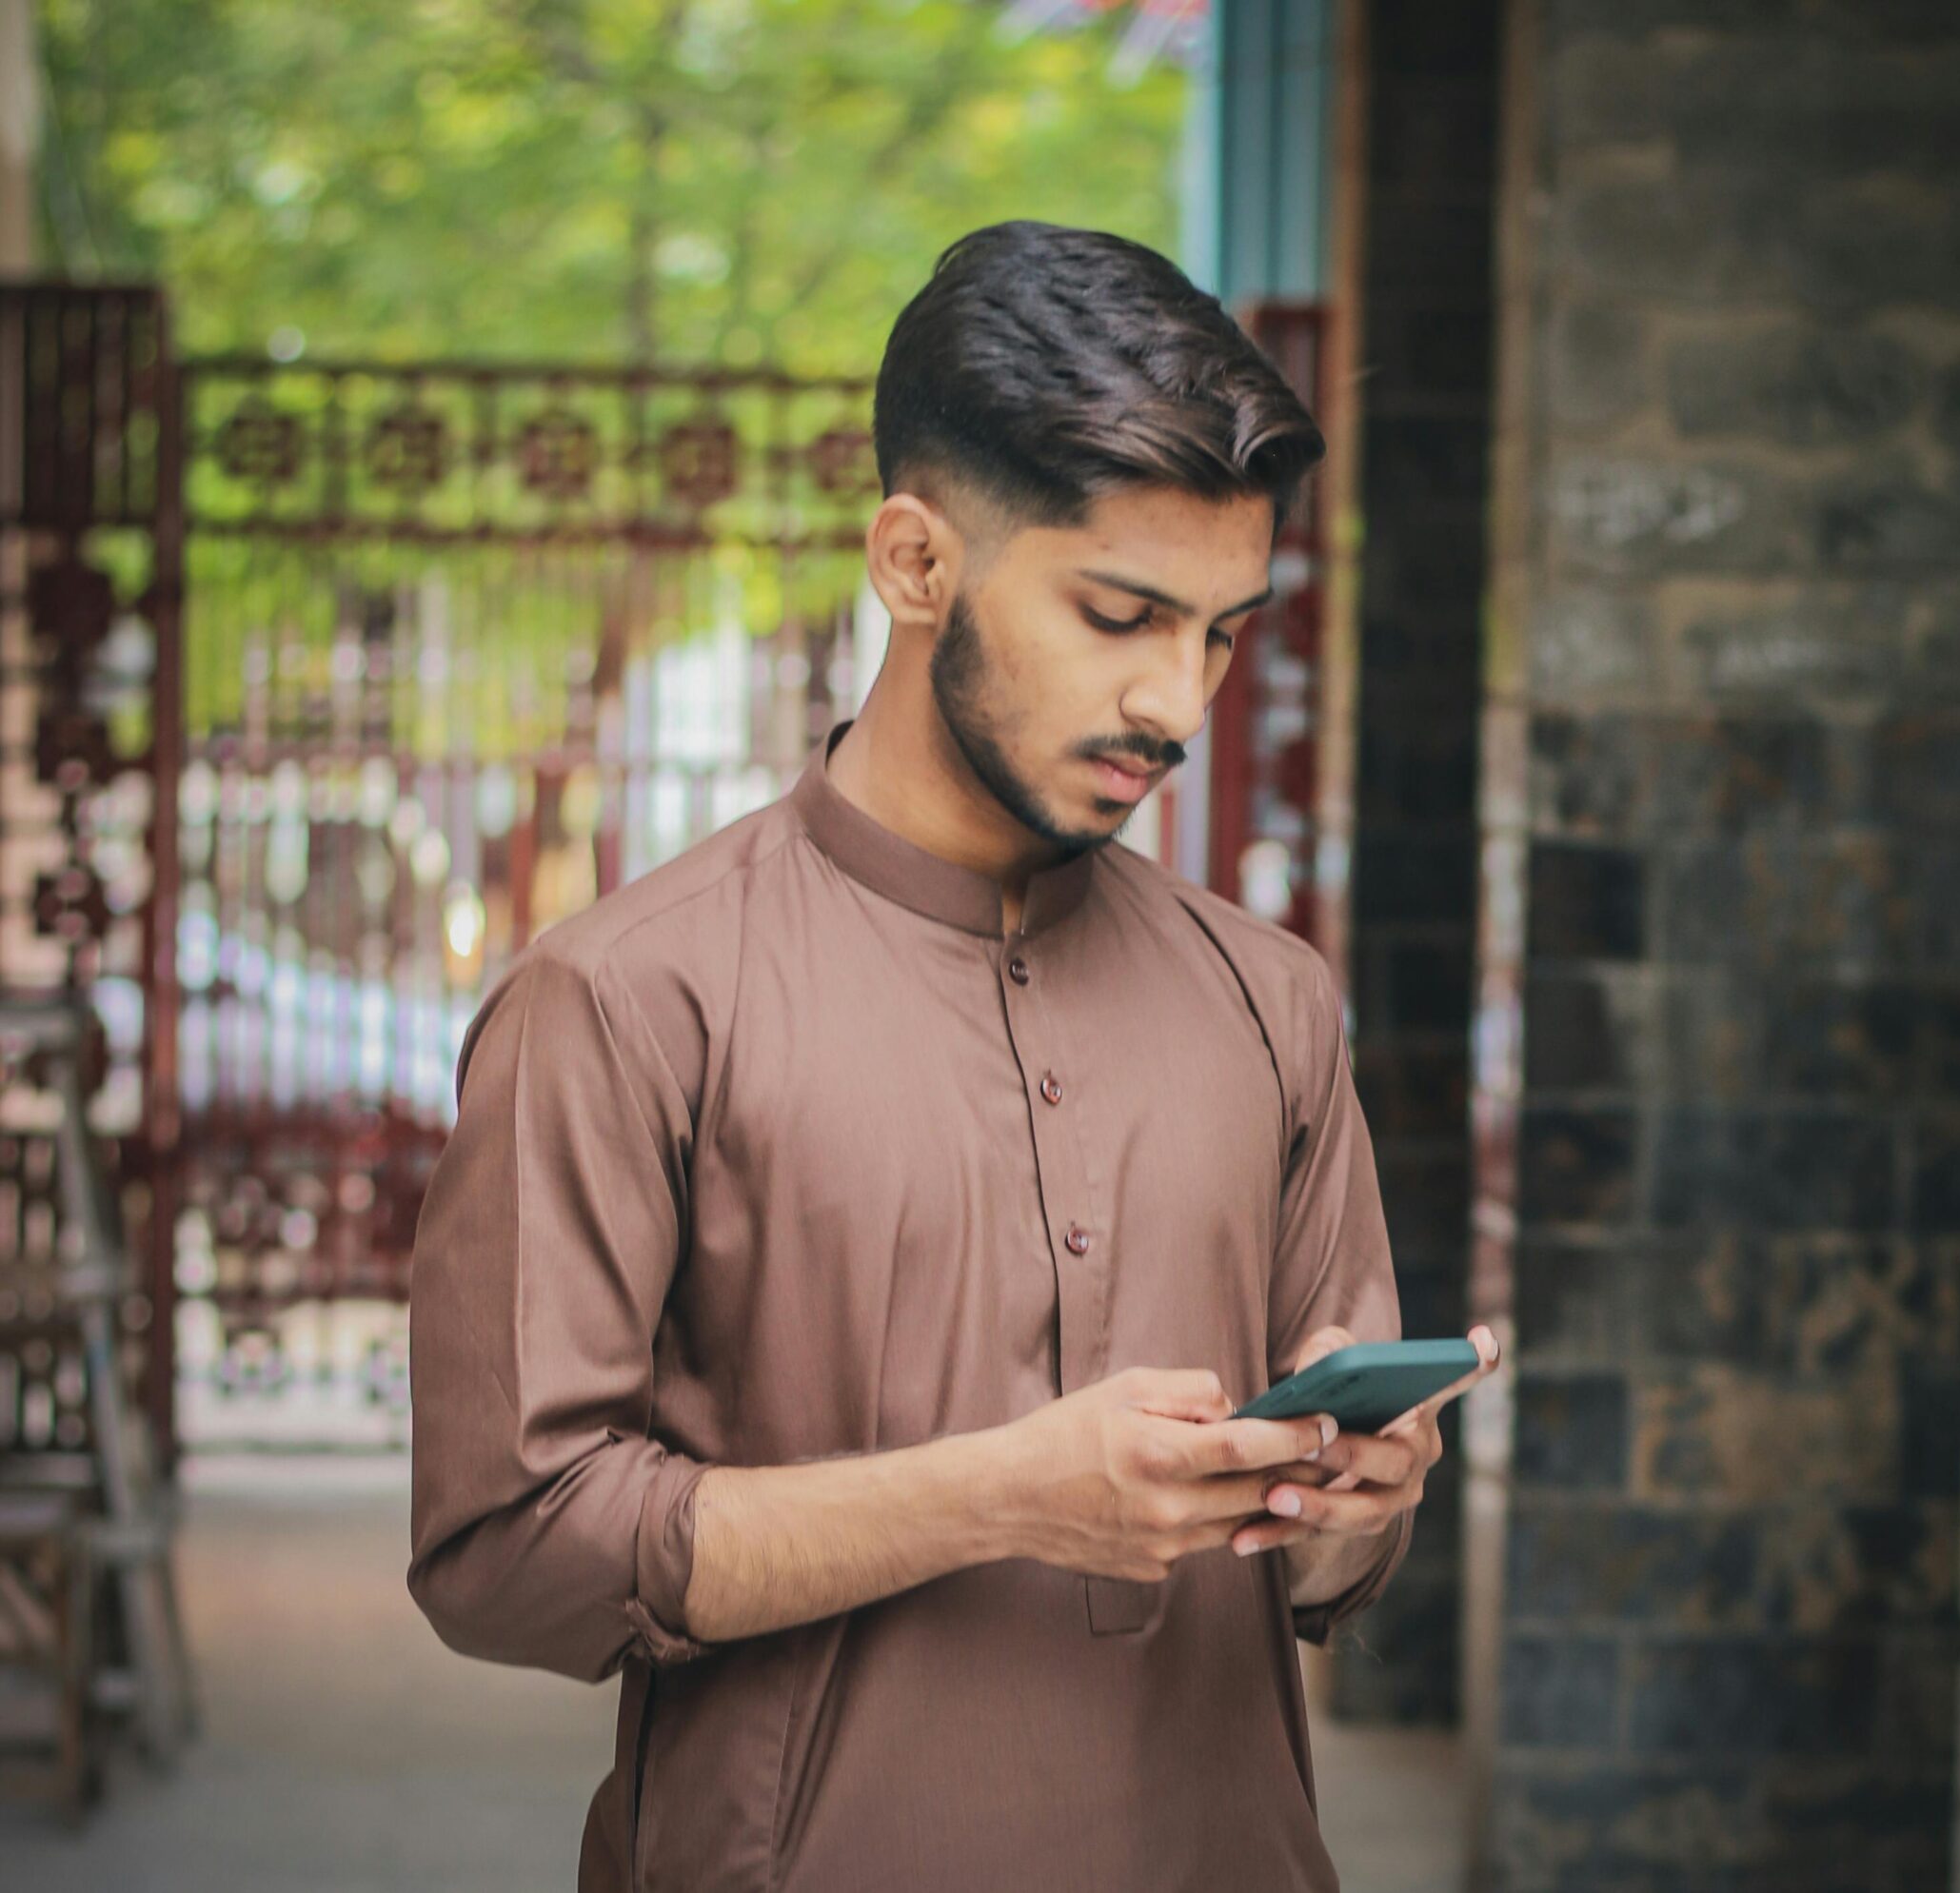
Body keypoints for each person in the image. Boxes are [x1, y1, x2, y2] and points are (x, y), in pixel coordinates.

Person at [406, 220, 1498, 1893]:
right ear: (914, 564)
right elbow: (505, 1550)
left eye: (1219, 630)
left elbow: (1327, 1582)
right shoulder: (627, 1000)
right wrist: (1003, 1494)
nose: (1178, 699)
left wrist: (1359, 1500)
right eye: (1120, 612)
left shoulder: (1270, 1001)